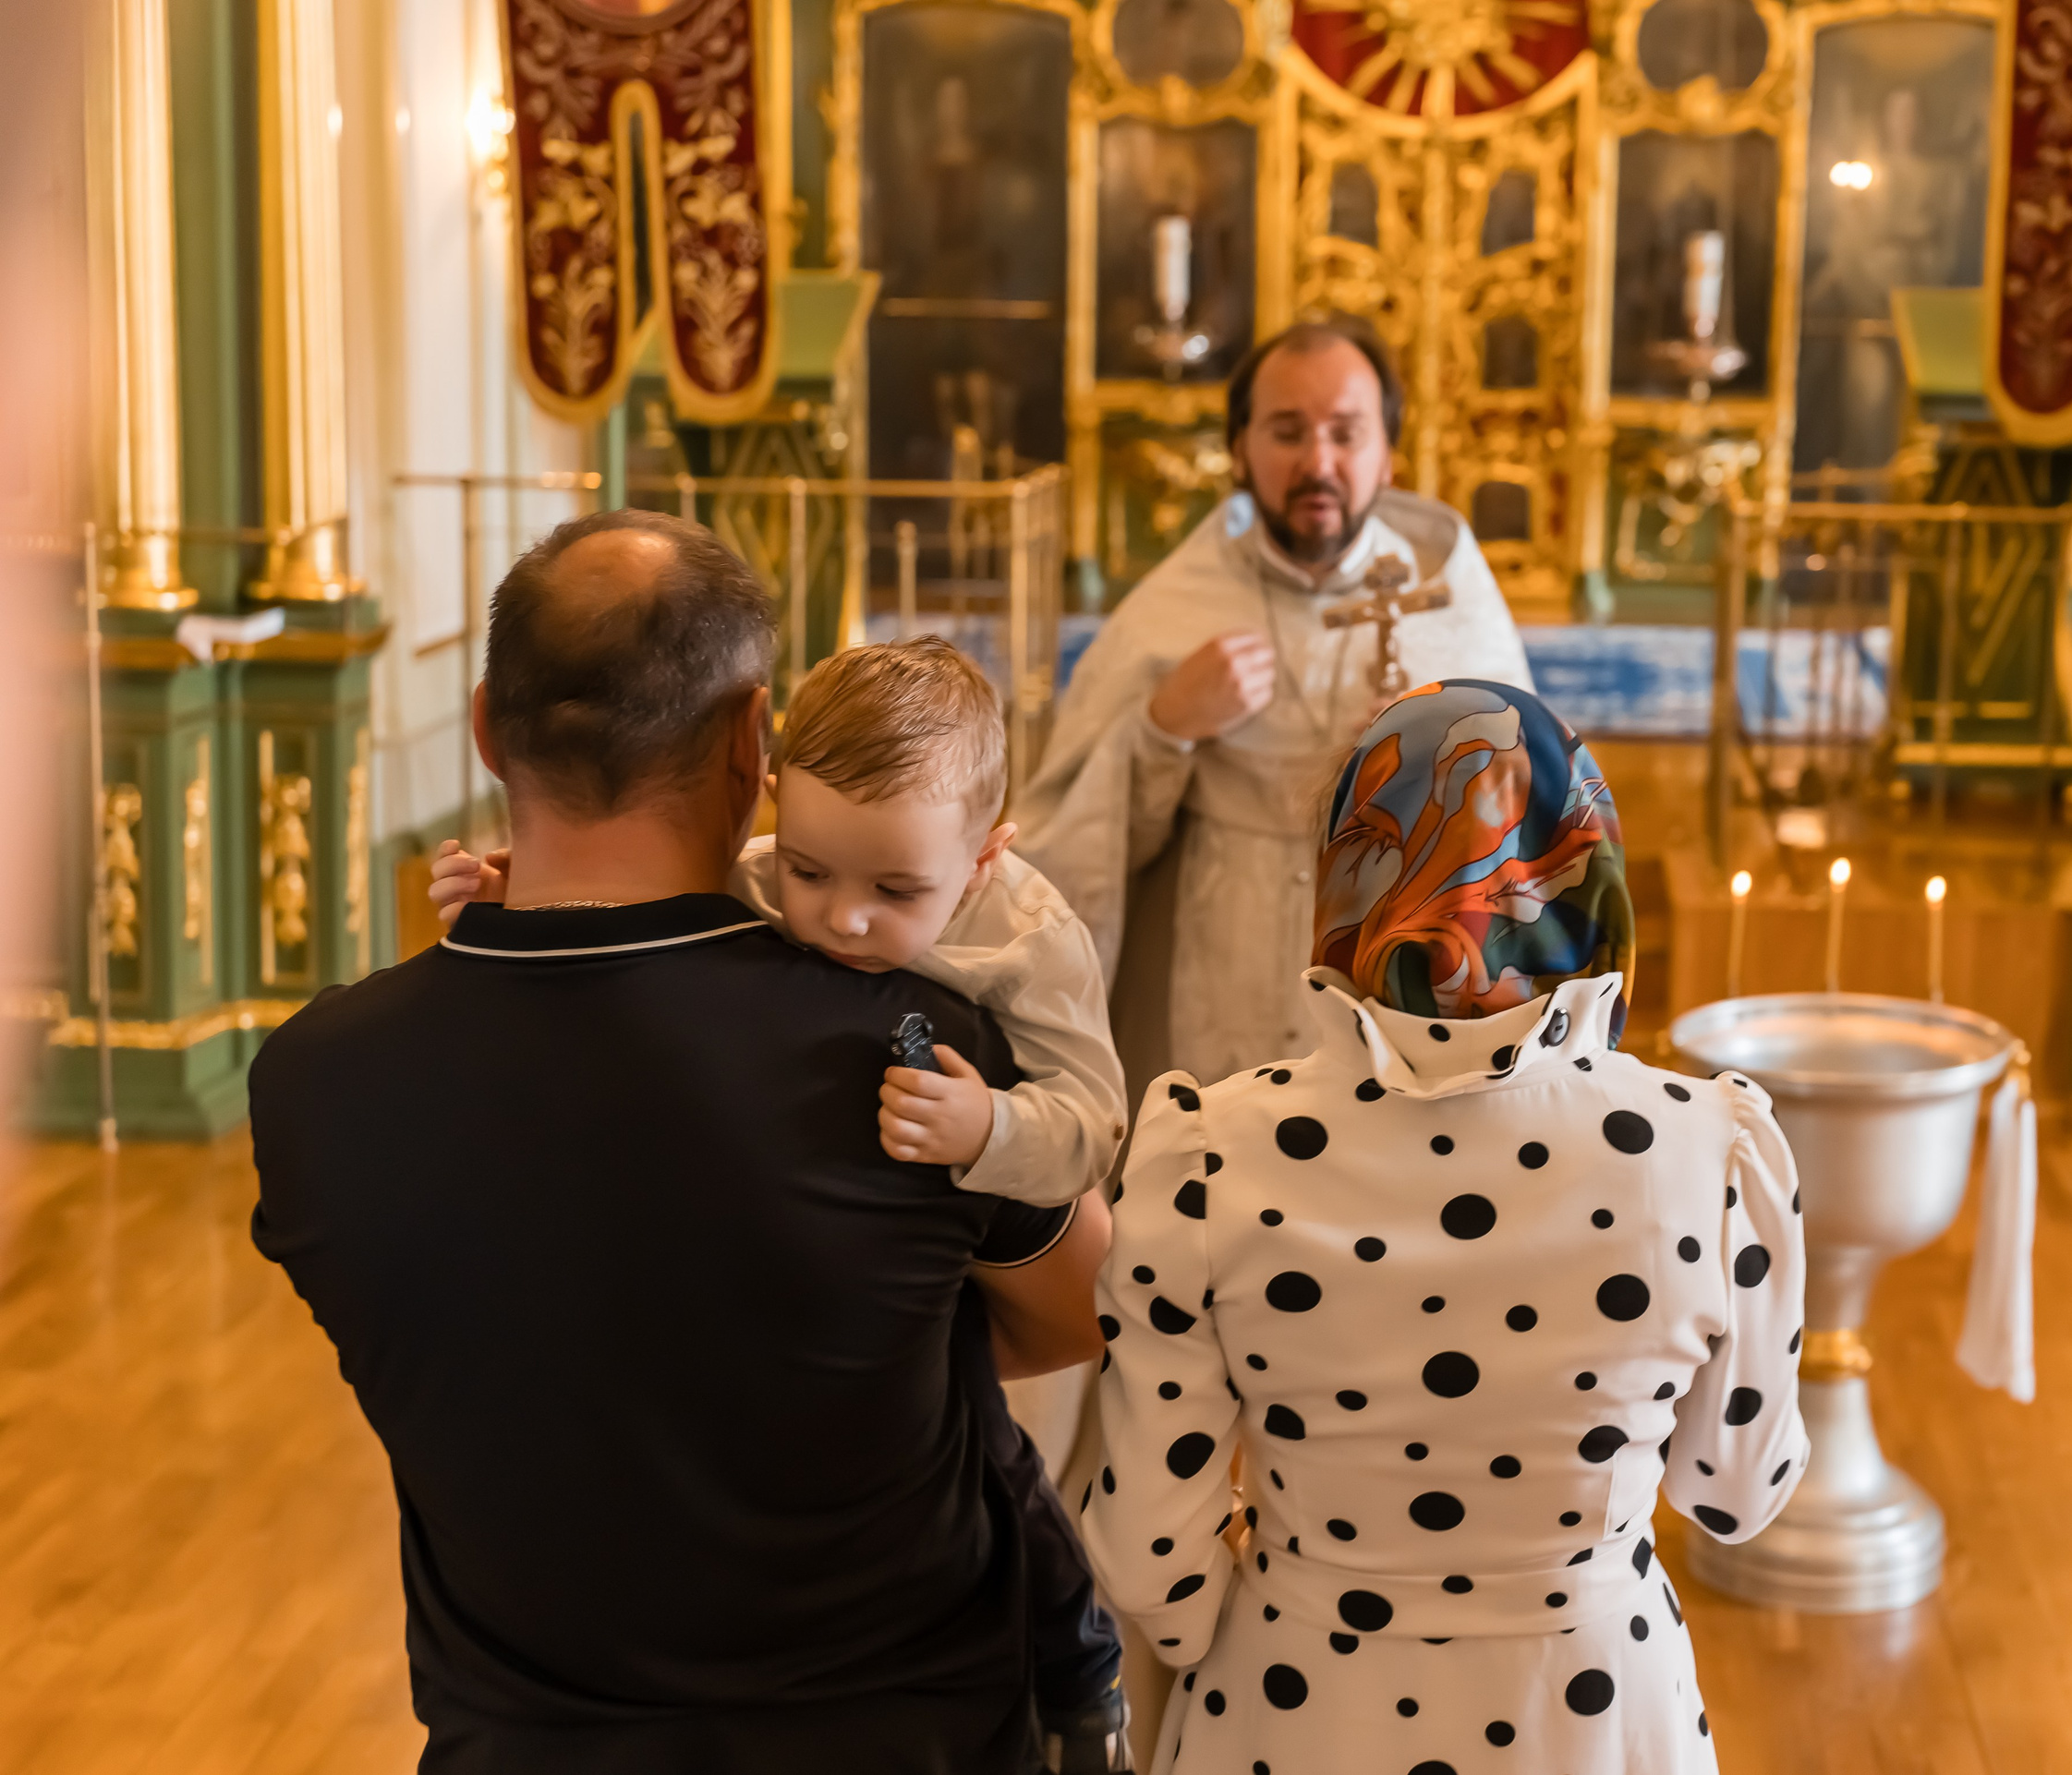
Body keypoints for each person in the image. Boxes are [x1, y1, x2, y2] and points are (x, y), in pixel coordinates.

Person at [251, 509, 1110, 1774]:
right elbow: (1080, 1308)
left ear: (488, 727)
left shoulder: (315, 1082)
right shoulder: (912, 1049)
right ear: (753, 740)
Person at [427, 633, 1137, 1770]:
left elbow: (1096, 1121)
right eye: (810, 869)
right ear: (771, 797)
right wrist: (514, 892)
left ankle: (1081, 1664)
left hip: (959, 1230)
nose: (841, 918)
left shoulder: (1028, 939)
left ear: (987, 854)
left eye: (895, 890)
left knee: (993, 1459)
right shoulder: (768, 875)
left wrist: (990, 1127)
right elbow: (637, 915)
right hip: (818, 1251)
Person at [1082, 680, 1807, 1772]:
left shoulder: (1206, 1154)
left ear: (1343, 877)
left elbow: (1149, 1565)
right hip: (1595, 1714)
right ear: (1590, 876)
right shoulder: (1711, 1154)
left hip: (1297, 1707)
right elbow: (1735, 1493)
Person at [1013, 317, 1533, 1093]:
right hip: (1222, 966)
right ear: (1240, 449)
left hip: (1400, 980)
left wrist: (1441, 763)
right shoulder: (1176, 606)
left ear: (1387, 455)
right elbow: (1077, 844)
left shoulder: (1453, 601)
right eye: (1287, 432)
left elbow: (1537, 817)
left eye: (1346, 434)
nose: (1316, 462)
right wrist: (1163, 728)